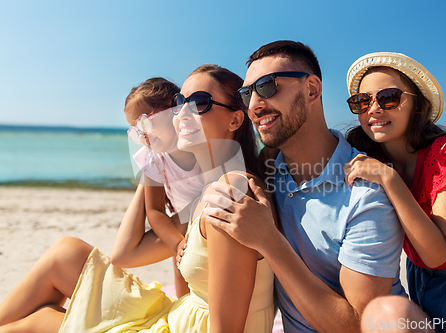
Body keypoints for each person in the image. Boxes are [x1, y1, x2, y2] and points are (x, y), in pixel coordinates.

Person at [0, 64, 276, 333]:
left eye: (200, 102)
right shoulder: (210, 188)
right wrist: (152, 170)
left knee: (28, 325)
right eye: (180, 102)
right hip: (179, 314)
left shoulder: (229, 194)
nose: (183, 112)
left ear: (235, 119)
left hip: (183, 325)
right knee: (65, 253)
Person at [202, 40, 405, 333]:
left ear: (312, 90)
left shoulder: (366, 195)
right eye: (247, 95)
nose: (255, 105)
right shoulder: (271, 167)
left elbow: (358, 327)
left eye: (268, 87)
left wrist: (269, 241)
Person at [342, 52, 446, 332]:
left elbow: (436, 253)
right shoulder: (370, 153)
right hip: (421, 277)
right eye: (362, 101)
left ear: (419, 106)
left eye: (389, 97)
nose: (374, 109)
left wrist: (389, 179)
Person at [114, 77, 203, 298]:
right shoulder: (154, 160)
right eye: (135, 131)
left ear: (174, 108)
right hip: (179, 224)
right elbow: (154, 211)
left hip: (208, 214)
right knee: (181, 269)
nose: (142, 135)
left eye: (144, 123)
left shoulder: (203, 141)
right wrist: (177, 244)